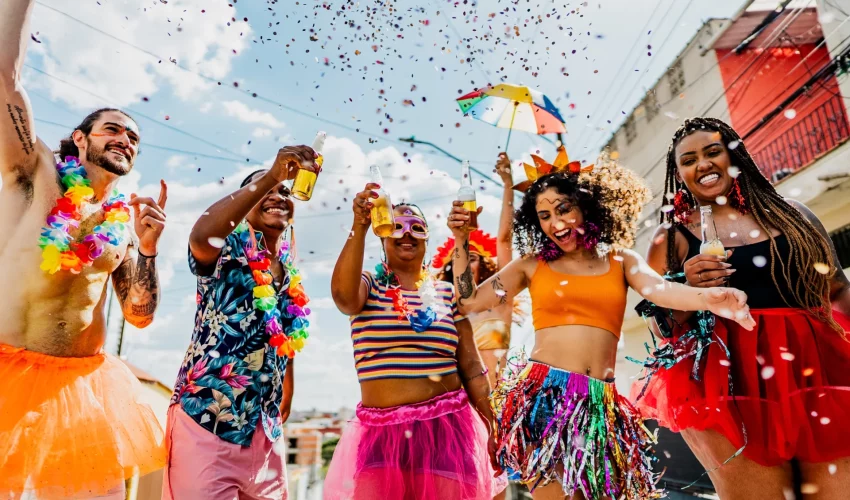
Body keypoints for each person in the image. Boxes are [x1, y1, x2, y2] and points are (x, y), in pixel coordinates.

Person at [446, 146, 757, 500]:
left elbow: (663, 291)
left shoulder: (620, 259)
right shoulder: (532, 265)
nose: (555, 222)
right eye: (544, 215)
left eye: (564, 208)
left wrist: (712, 298)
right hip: (546, 396)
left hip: (601, 403)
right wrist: (460, 239)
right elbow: (469, 298)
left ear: (586, 206)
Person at [0, 1, 167, 498]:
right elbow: (5, 83)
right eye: (113, 129)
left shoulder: (120, 225)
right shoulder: (36, 174)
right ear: (80, 138)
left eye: (133, 137)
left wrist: (149, 248)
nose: (125, 140)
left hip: (82, 390)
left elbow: (138, 314)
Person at [634, 117, 850, 499]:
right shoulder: (672, 237)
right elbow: (662, 331)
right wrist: (689, 288)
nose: (702, 164)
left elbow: (836, 289)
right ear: (679, 173)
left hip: (813, 369)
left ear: (735, 157)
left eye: (713, 151)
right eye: (688, 160)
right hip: (727, 381)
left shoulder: (795, 215)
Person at [324, 190, 507, 500]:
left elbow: (473, 368)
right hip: (382, 433)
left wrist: (493, 427)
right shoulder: (369, 285)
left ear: (427, 240)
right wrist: (360, 223)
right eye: (396, 227)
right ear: (382, 235)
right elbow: (343, 298)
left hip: (447, 430)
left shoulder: (446, 293)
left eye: (417, 228)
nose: (406, 233)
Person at [163, 150, 318, 500]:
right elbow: (201, 237)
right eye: (267, 190)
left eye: (285, 192)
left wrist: (287, 384)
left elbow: (283, 337)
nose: (278, 195)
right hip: (208, 420)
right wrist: (272, 175)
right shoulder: (227, 248)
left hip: (265, 433)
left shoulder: (290, 270)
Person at [434, 153, 517, 391]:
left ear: (484, 264)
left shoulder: (501, 298)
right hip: (462, 402)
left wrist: (508, 185)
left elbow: (505, 239)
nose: (467, 265)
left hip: (502, 398)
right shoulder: (449, 310)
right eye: (461, 260)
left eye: (472, 258)